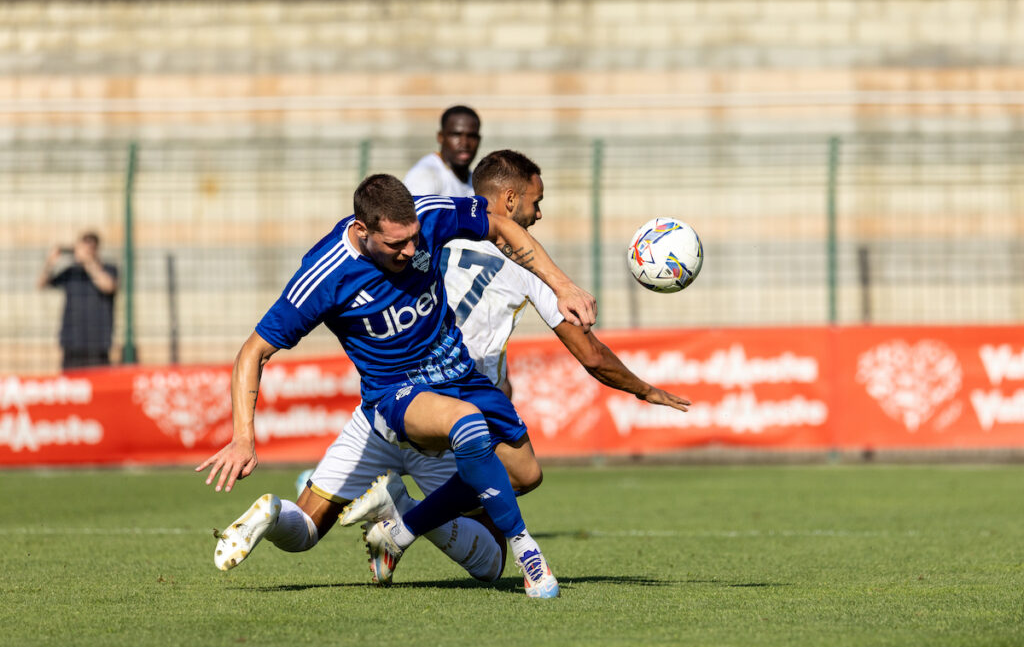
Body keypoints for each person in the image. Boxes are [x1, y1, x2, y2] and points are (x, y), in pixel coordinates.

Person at [204, 152, 692, 598]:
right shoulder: (324, 274)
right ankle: (530, 554)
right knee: (463, 435)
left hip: (458, 378)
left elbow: (500, 225)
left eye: (415, 237)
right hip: (396, 401)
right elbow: (253, 351)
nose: (412, 249)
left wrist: (563, 285)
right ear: (362, 230)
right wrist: (244, 438)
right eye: (397, 244)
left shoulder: (431, 215)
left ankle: (394, 521)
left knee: (517, 493)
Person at [38, 231, 118, 370]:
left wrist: (89, 262)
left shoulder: (108, 269)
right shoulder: (72, 272)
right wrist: (50, 263)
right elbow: (41, 284)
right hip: (72, 342)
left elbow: (108, 286)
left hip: (98, 342)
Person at [403, 105, 480, 198]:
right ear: (440, 137)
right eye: (456, 135)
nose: (465, 143)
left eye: (471, 136)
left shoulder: (475, 181)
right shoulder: (425, 176)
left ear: (479, 139)